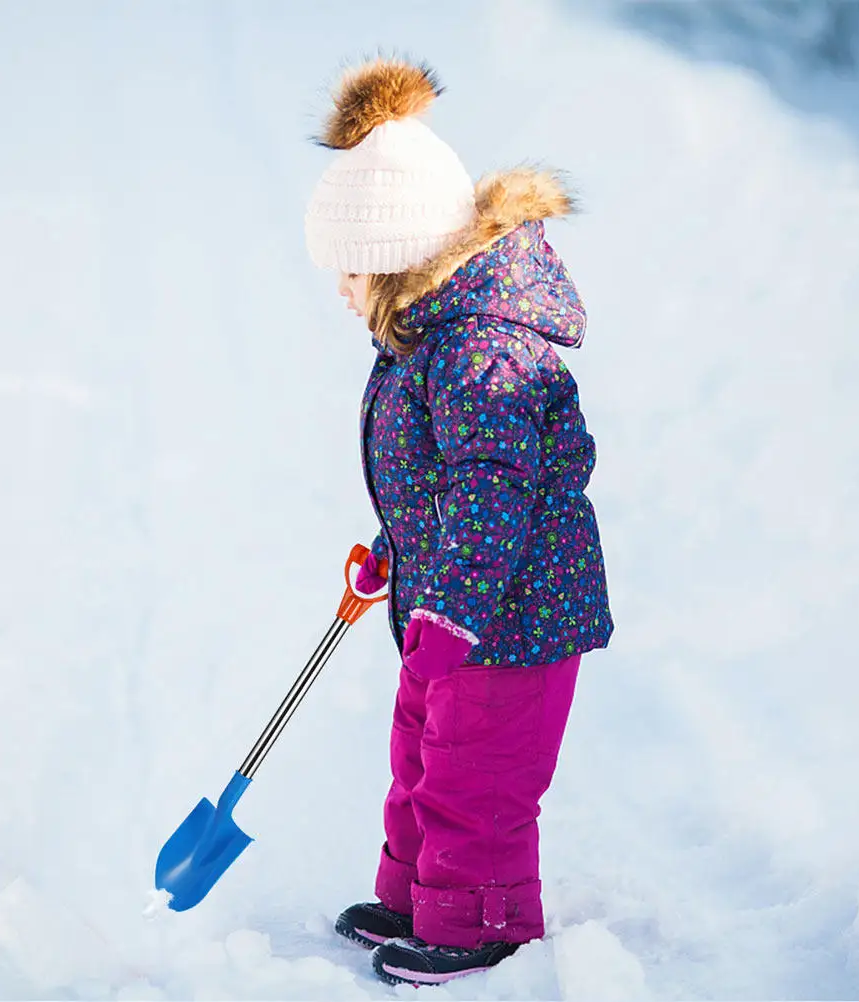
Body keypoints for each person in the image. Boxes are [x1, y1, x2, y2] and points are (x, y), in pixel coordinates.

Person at [304, 57, 613, 987]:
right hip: (456, 609)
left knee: (475, 780)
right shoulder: (428, 340)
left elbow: (491, 488)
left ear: (397, 259)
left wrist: (454, 608)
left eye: (350, 272)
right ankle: (417, 899)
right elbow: (439, 487)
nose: (341, 291)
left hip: (511, 620)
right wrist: (399, 556)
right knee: (422, 755)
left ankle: (483, 921)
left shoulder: (481, 349)